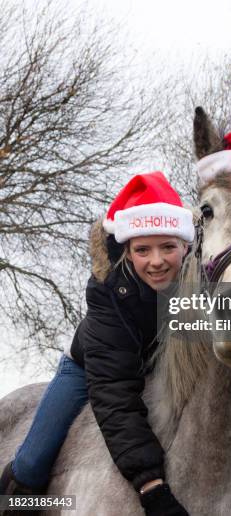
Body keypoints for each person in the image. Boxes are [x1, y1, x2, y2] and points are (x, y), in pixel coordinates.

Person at [0, 172, 195, 516]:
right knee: (31, 465)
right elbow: (114, 390)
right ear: (127, 251)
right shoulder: (109, 290)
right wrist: (150, 486)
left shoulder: (204, 281)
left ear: (187, 246)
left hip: (163, 370)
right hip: (93, 367)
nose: (156, 261)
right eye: (142, 250)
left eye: (168, 246)